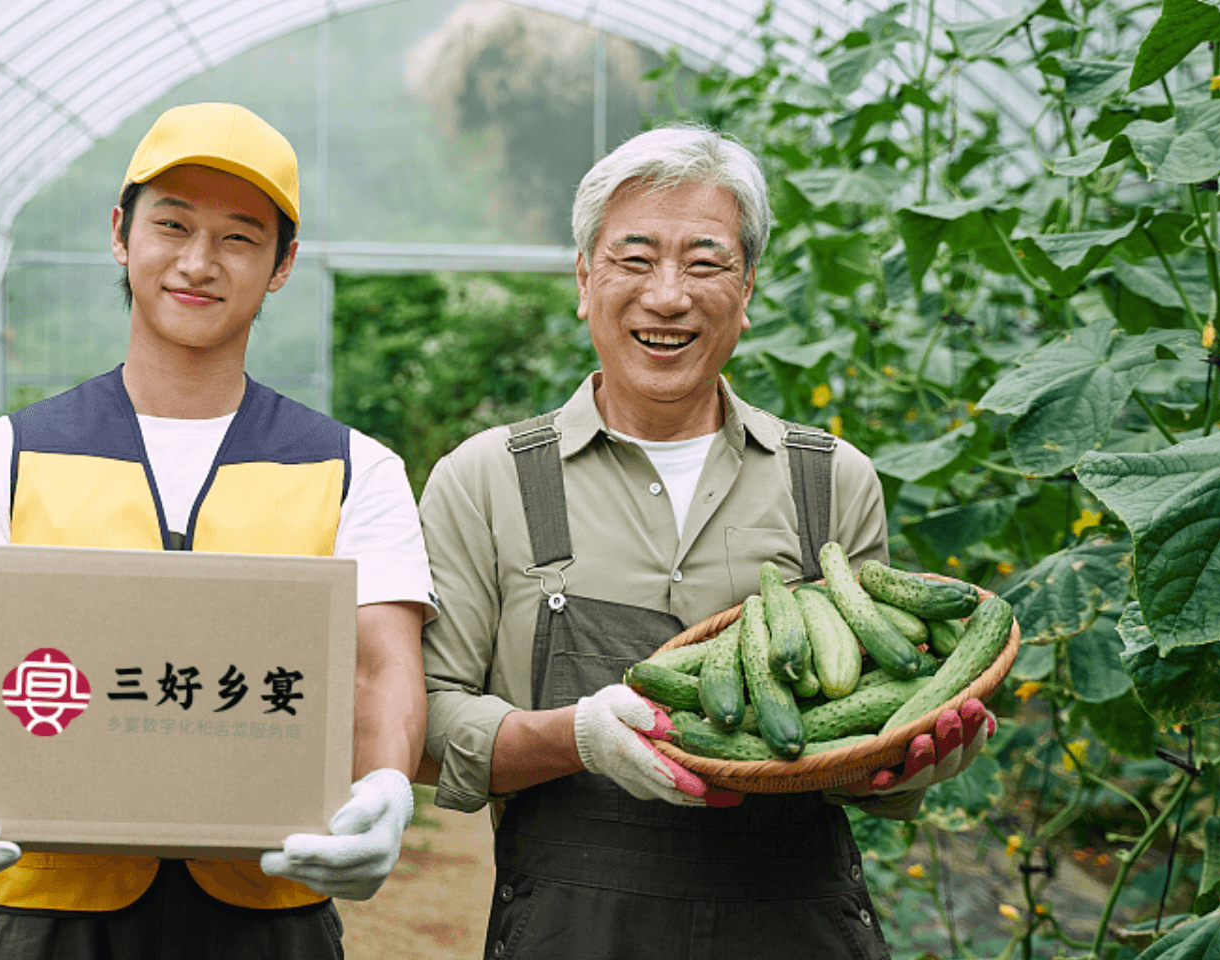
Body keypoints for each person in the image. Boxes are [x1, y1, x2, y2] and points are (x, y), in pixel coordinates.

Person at [418, 124, 994, 958]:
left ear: (749, 287)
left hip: (792, 929)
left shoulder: (831, 481)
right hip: (573, 934)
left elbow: (869, 721)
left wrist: (903, 764)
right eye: (635, 258)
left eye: (705, 261)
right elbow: (421, 726)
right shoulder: (488, 479)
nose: (667, 295)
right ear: (585, 281)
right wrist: (577, 736)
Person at [0, 102, 433, 959]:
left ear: (283, 265)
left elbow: (378, 668)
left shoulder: (355, 470)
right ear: (120, 234)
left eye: (239, 238)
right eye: (171, 225)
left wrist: (388, 783)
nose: (198, 263)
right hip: (53, 911)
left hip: (271, 908)